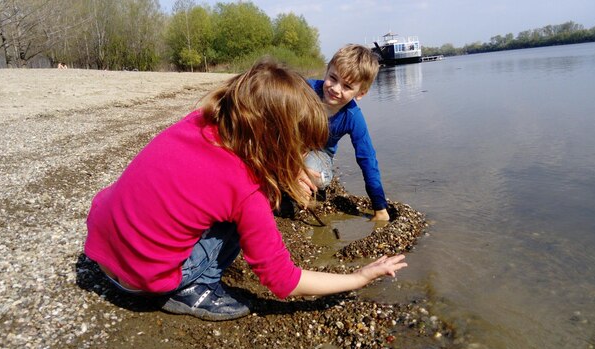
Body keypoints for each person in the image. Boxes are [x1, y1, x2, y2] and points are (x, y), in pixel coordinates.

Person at [84, 58, 407, 322]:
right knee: (248, 213)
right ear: (277, 135)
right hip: (140, 279)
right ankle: (196, 290)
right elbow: (284, 281)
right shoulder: (245, 191)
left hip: (100, 246)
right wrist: (360, 277)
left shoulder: (198, 120)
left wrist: (290, 167)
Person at [300, 44, 390, 221]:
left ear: (361, 93)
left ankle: (303, 189)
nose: (335, 89)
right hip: (291, 146)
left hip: (320, 154)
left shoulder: (353, 117)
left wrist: (379, 207)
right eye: (333, 78)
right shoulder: (305, 90)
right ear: (326, 71)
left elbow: (367, 158)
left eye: (347, 86)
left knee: (313, 174)